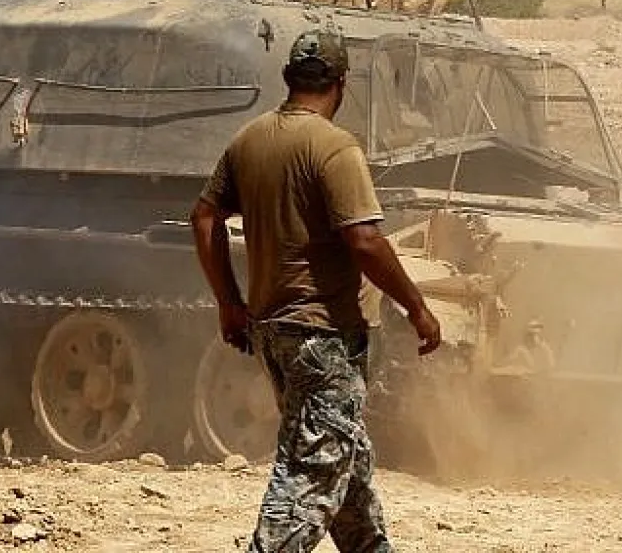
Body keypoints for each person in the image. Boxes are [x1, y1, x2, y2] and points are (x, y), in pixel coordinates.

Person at [190, 28, 443, 553]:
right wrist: (417, 306)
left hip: (274, 331)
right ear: (341, 83)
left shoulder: (250, 139)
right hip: (323, 336)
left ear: (289, 77)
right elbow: (365, 241)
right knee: (310, 477)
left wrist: (229, 303)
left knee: (346, 476)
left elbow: (204, 218)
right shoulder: (334, 148)